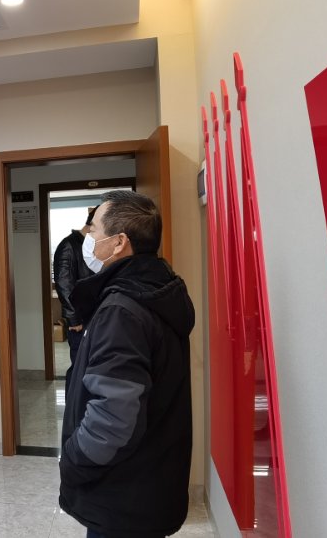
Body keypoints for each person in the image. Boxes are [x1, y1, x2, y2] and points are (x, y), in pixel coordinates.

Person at [59, 190, 195, 538]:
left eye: (93, 229)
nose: (88, 237)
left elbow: (112, 418)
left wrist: (73, 458)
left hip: (121, 497)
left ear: (119, 242)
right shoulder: (155, 289)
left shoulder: (122, 310)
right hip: (144, 485)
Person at [52, 205, 98, 365]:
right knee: (80, 367)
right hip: (80, 320)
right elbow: (64, 284)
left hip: (93, 316)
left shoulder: (90, 245)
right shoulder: (69, 246)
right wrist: (74, 319)